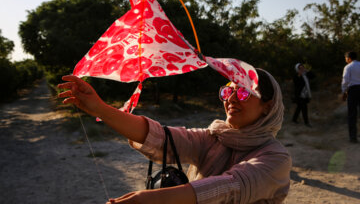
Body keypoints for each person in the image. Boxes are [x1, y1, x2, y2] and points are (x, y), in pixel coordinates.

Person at [58, 67, 292, 204]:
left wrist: (145, 200)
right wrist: (100, 108)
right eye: (228, 90)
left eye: (242, 92)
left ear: (267, 106)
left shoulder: (276, 158)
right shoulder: (215, 137)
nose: (230, 98)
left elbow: (230, 186)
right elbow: (162, 137)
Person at [341, 51, 360, 143]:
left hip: (353, 90)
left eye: (346, 58)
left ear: (349, 58)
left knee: (352, 114)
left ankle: (353, 137)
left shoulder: (348, 67)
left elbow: (345, 81)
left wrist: (344, 92)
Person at [292, 63, 314, 127]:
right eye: (300, 68)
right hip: (300, 95)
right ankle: (306, 122)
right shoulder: (296, 76)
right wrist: (300, 75)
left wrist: (307, 71)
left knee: (299, 107)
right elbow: (297, 84)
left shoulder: (305, 74)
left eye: (302, 68)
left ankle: (294, 119)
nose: (302, 69)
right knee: (304, 108)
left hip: (306, 94)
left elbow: (313, 76)